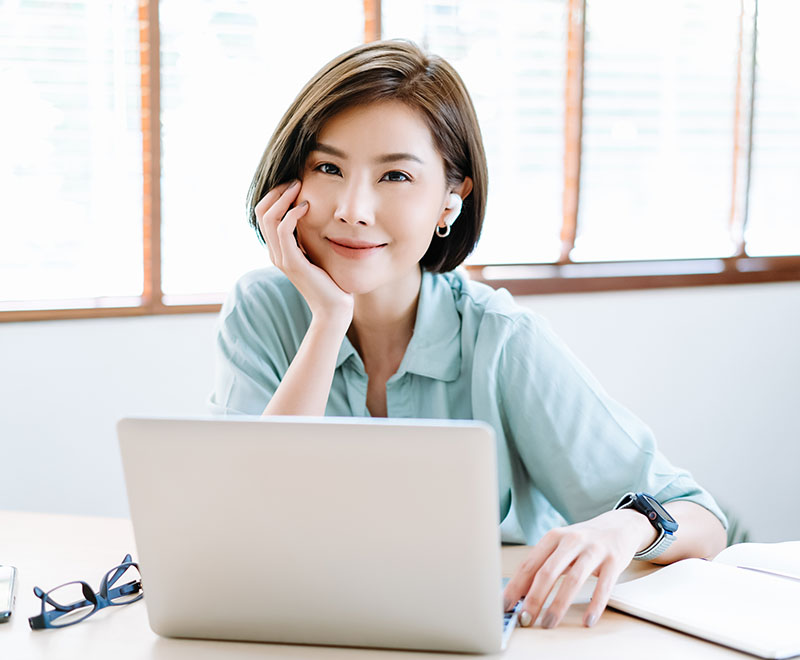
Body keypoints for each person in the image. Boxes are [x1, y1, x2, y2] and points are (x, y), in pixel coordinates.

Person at [209, 39, 727, 630]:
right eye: (328, 168)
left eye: (396, 175)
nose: (352, 208)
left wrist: (625, 523)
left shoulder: (502, 339)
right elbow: (245, 522)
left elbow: (703, 518)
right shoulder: (262, 308)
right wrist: (329, 320)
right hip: (302, 627)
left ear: (451, 201)